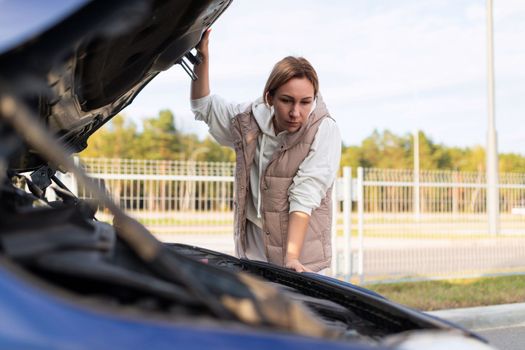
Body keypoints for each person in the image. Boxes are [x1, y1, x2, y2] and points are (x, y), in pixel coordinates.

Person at [190, 29, 341, 273]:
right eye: (287, 100)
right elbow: (203, 106)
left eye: (305, 102)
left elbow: (305, 194)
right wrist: (202, 55)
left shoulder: (324, 130)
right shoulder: (247, 120)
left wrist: (291, 258)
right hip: (253, 248)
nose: (296, 112)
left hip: (301, 256)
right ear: (269, 97)